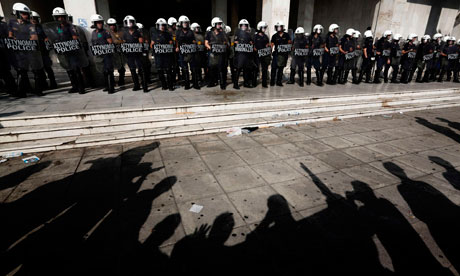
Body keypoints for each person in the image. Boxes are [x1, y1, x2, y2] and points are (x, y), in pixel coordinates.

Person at [8, 3, 44, 97]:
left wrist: (25, 43)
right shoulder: (12, 22)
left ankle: (38, 90)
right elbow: (10, 36)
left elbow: (34, 37)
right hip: (19, 52)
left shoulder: (30, 24)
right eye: (23, 13)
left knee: (36, 70)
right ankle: (22, 92)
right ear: (17, 13)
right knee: (21, 71)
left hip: (30, 51)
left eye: (26, 13)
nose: (26, 15)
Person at [49, 7, 85, 94]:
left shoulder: (70, 26)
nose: (60, 19)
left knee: (76, 69)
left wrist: (69, 44)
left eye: (61, 17)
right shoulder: (56, 28)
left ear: (65, 17)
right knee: (69, 69)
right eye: (58, 17)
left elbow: (75, 38)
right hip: (63, 52)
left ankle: (81, 88)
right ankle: (74, 86)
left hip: (72, 51)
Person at [31, 11, 57, 90]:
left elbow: (46, 37)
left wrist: (47, 43)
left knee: (47, 67)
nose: (33, 20)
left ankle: (53, 83)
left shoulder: (41, 27)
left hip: (43, 51)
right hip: (35, 52)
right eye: (32, 19)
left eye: (35, 19)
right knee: (38, 69)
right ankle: (43, 84)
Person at [121, 15, 147, 92]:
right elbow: (123, 43)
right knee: (132, 69)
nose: (130, 24)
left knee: (141, 69)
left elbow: (141, 42)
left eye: (131, 22)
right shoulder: (124, 33)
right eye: (128, 22)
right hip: (129, 55)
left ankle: (144, 84)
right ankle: (136, 85)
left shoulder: (138, 32)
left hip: (138, 54)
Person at [90, 14, 115, 94]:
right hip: (99, 55)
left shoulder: (106, 32)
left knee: (109, 71)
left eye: (100, 22)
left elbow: (110, 42)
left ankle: (111, 88)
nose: (100, 24)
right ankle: (107, 86)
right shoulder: (93, 33)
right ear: (94, 24)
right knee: (103, 71)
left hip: (107, 55)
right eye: (98, 23)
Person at [205, 17, 229, 89]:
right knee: (212, 68)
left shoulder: (223, 33)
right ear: (214, 24)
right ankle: (212, 82)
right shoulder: (209, 33)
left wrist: (225, 45)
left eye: (220, 24)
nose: (219, 25)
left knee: (221, 68)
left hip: (221, 54)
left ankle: (222, 84)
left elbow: (227, 43)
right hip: (213, 54)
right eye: (218, 24)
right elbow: (206, 43)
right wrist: (211, 48)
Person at [176, 15, 199, 90]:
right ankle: (187, 84)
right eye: (184, 23)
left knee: (193, 68)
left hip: (191, 52)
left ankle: (195, 84)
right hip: (182, 52)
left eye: (186, 22)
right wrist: (177, 47)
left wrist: (194, 44)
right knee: (184, 69)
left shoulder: (191, 32)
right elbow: (176, 41)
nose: (185, 24)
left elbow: (194, 41)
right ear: (181, 23)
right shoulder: (178, 32)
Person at [151, 18, 174, 91]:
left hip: (167, 55)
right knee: (160, 70)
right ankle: (164, 85)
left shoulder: (168, 34)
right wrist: (156, 46)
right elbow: (151, 45)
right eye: (160, 25)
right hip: (158, 55)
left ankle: (170, 86)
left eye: (163, 25)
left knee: (168, 70)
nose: (162, 27)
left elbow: (171, 43)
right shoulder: (154, 34)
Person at [233, 19, 255, 89]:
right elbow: (235, 43)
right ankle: (235, 84)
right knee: (238, 68)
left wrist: (251, 43)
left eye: (245, 25)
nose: (244, 26)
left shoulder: (249, 34)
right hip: (240, 54)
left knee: (246, 69)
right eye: (242, 25)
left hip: (247, 54)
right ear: (240, 26)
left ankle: (246, 83)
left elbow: (251, 43)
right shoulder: (237, 33)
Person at [0, 12, 17, 95]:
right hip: (4, 51)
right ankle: (10, 87)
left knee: (5, 71)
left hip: (3, 51)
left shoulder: (3, 26)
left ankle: (11, 88)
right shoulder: (4, 25)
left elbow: (9, 37)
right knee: (5, 71)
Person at [270, 21, 291, 86]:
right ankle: (272, 81)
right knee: (274, 68)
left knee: (281, 69)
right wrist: (269, 52)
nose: (278, 28)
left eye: (279, 27)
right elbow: (272, 45)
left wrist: (288, 46)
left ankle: (279, 81)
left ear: (282, 27)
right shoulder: (274, 36)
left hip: (283, 55)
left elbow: (289, 43)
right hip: (276, 54)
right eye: (277, 27)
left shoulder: (286, 35)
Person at [107, 18, 126, 86]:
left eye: (113, 25)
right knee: (112, 67)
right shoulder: (107, 32)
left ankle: (121, 80)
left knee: (121, 66)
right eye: (110, 25)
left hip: (120, 51)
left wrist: (119, 41)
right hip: (112, 52)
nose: (112, 26)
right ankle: (111, 82)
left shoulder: (120, 32)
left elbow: (124, 40)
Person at [253, 21, 271, 88]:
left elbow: (267, 44)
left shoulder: (266, 36)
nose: (264, 29)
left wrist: (268, 46)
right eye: (263, 27)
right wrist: (255, 49)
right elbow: (253, 45)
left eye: (265, 28)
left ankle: (264, 83)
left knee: (265, 69)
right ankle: (254, 82)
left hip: (264, 55)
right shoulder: (255, 36)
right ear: (259, 28)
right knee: (256, 69)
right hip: (257, 55)